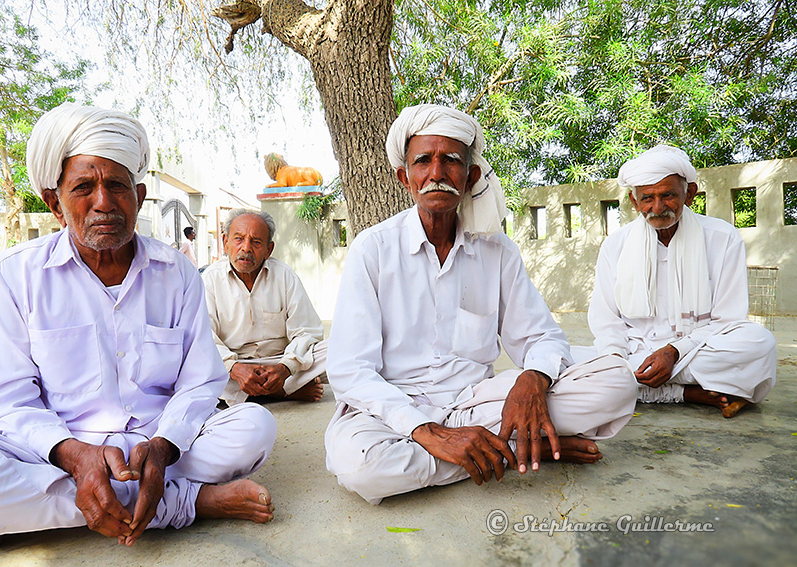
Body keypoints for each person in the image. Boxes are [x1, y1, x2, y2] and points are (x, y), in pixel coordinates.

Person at [0, 103, 277, 548]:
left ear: (138, 197)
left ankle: (35, 512)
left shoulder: (176, 272)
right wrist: (77, 457)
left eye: (118, 186)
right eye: (84, 186)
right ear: (55, 203)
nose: (104, 202)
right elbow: (5, 401)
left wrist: (164, 445)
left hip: (156, 447)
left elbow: (201, 382)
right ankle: (190, 504)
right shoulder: (14, 274)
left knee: (255, 427)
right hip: (58, 451)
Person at [323, 104, 637, 505]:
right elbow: (351, 371)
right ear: (405, 178)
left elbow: (542, 336)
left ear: (470, 176)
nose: (436, 172)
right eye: (423, 161)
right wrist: (428, 431)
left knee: (616, 381)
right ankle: (521, 450)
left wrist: (533, 379)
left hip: (477, 404)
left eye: (451, 160)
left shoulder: (497, 250)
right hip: (393, 413)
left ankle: (495, 445)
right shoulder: (374, 249)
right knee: (360, 468)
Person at [583, 144, 776, 417]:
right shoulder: (616, 244)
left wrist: (674, 352)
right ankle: (684, 391)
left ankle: (637, 387)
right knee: (571, 363)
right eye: (647, 198)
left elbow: (728, 321)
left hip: (695, 349)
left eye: (668, 195)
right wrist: (614, 361)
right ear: (634, 201)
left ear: (690, 194)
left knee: (759, 343)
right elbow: (606, 321)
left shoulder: (723, 238)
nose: (658, 207)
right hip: (634, 350)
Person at [203, 209, 327, 405]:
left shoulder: (285, 276)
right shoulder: (210, 280)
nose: (246, 248)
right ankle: (284, 392)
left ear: (269, 249)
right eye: (238, 239)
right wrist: (234, 368)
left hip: (279, 363)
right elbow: (204, 338)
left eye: (256, 242)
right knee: (196, 366)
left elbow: (307, 331)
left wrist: (285, 367)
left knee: (334, 348)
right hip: (234, 368)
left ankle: (264, 390)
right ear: (225, 242)